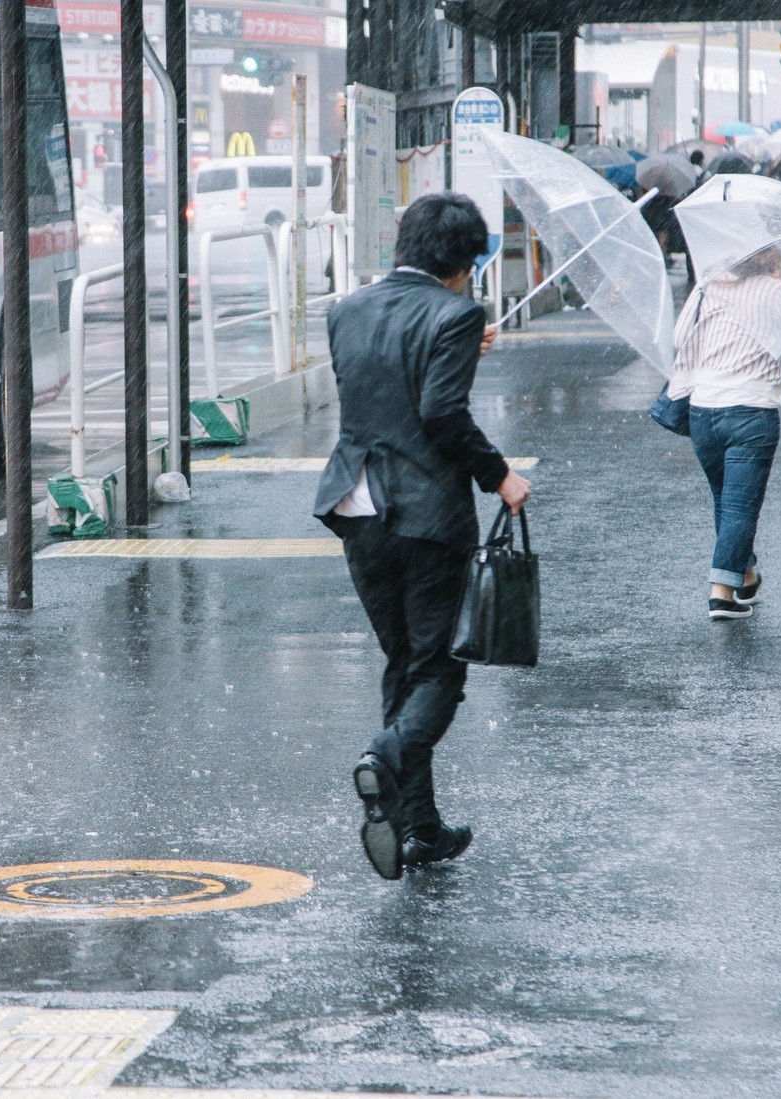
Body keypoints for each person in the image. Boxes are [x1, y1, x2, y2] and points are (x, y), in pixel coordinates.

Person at [313, 192, 532, 881]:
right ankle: (384, 757)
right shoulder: (456, 313)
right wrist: (499, 475)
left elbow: (381, 378)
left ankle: (419, 826)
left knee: (404, 661)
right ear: (464, 262)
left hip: (356, 502)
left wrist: (465, 342)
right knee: (438, 669)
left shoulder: (345, 309)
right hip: (426, 514)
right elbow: (438, 411)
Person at [663, 246, 781, 621]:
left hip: (704, 409)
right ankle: (720, 593)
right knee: (739, 506)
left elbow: (680, 336)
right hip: (751, 408)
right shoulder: (775, 291)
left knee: (726, 500)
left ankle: (746, 573)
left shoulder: (708, 286)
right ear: (768, 255)